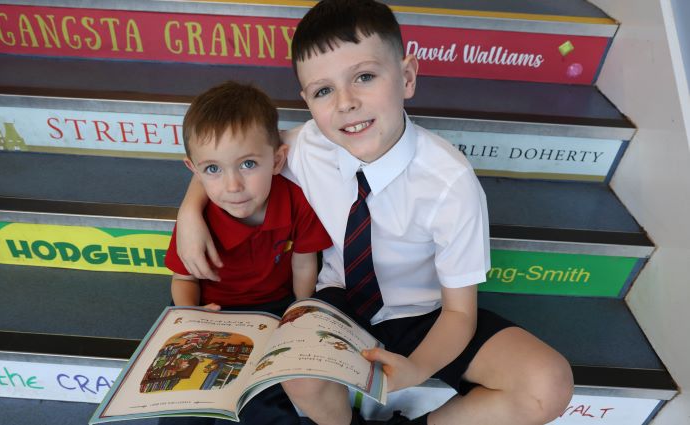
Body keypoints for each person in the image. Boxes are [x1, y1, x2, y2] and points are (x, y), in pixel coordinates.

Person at [174, 1, 574, 424]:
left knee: (547, 383)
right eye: (324, 90)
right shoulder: (309, 145)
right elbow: (232, 154)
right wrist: (190, 209)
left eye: (364, 77)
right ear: (307, 100)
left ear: (406, 77)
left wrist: (418, 368)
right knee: (300, 374)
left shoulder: (449, 180)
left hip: (424, 312)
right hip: (339, 300)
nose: (346, 103)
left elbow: (460, 313)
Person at [161, 81, 332, 425]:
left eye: (248, 164)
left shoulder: (296, 202)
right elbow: (183, 279)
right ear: (194, 170)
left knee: (265, 402)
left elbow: (303, 265)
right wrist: (191, 316)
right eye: (213, 169)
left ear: (277, 159)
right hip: (212, 313)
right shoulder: (198, 221)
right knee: (183, 405)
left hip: (273, 311)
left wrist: (299, 311)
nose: (233, 185)